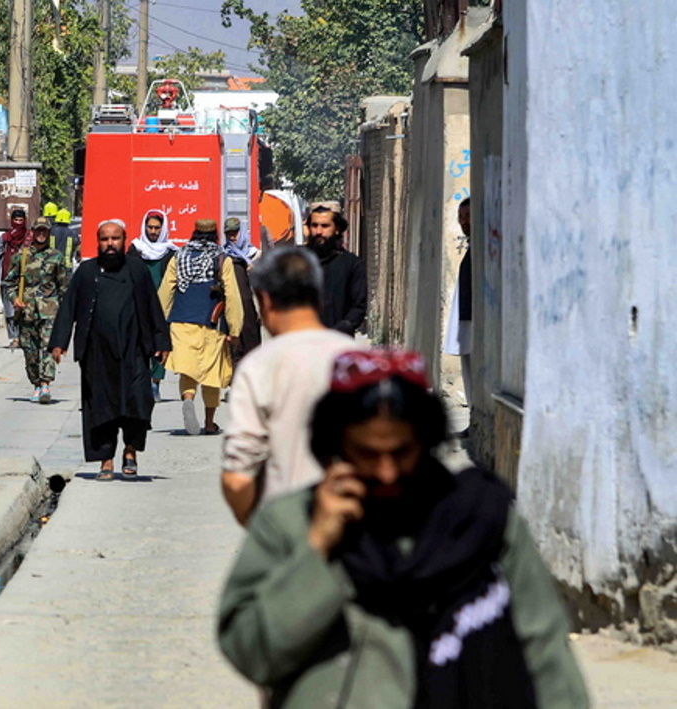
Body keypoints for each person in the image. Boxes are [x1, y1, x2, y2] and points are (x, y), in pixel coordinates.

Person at [218, 349, 590, 708]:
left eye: (401, 452)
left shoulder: (480, 520)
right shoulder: (290, 522)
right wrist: (318, 548)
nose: (387, 472)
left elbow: (545, 654)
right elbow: (251, 654)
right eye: (367, 454)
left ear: (427, 440)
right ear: (334, 445)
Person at [220, 247, 356, 525]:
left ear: (265, 300)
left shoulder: (259, 366)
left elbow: (237, 478)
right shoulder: (358, 360)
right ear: (319, 298)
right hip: (357, 531)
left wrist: (265, 536)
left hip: (290, 526)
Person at [49, 221, 171, 480]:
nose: (110, 244)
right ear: (98, 241)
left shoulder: (137, 269)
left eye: (115, 238)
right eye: (105, 239)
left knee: (138, 401)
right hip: (97, 353)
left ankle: (130, 451)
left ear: (124, 240)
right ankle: (106, 460)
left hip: (134, 349)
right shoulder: (86, 271)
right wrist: (59, 341)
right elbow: (69, 306)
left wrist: (161, 341)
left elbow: (152, 307)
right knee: (101, 407)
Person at [158, 218, 241, 436]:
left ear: (194, 233)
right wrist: (235, 328)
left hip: (181, 320)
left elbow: (166, 291)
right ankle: (210, 422)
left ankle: (188, 398)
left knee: (188, 368)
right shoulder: (222, 259)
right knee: (211, 373)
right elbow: (232, 296)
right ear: (216, 234)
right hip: (210, 322)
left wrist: (158, 324)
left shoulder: (179, 256)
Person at [2, 217, 69, 403]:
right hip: (26, 312)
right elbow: (8, 283)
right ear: (32, 232)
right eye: (38, 231)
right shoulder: (21, 257)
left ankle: (46, 384)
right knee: (30, 351)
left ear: (49, 233)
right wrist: (15, 299)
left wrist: (66, 314)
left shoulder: (56, 257)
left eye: (44, 231)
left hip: (49, 311)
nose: (41, 234)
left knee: (47, 347)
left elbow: (63, 286)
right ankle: (36, 384)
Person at [130, 209, 178, 400]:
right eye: (150, 227)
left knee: (161, 343)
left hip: (163, 305)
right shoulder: (135, 249)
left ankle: (155, 383)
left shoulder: (171, 251)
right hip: (139, 304)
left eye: (157, 228)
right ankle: (141, 382)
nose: (153, 231)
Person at [306, 200, 367, 335]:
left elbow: (358, 307)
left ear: (337, 229)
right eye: (314, 225)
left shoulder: (352, 265)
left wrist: (342, 327)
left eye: (325, 226)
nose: (319, 231)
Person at [444, 197, 473, 435]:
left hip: (474, 319)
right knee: (469, 369)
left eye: (468, 217)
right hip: (466, 318)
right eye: (460, 218)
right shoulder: (472, 248)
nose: (464, 223)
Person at [221, 217, 263, 360]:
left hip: (251, 310)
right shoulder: (223, 257)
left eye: (235, 233)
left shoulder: (256, 255)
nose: (232, 237)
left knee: (252, 350)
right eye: (229, 234)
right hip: (232, 309)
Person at [0, 208, 29, 348]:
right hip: (7, 278)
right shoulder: (5, 238)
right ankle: (14, 338)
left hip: (25, 279)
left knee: (23, 309)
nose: (18, 223)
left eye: (21, 220)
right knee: (9, 310)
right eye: (16, 220)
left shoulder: (29, 237)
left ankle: (24, 336)